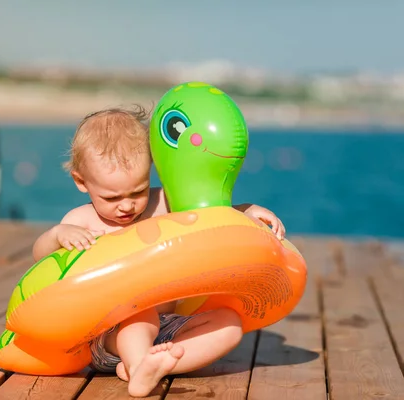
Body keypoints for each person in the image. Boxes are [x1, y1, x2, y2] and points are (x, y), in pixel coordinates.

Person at [32, 106, 286, 397]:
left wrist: (245, 210)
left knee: (229, 325)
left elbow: (211, 211)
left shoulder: (163, 203)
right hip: (108, 331)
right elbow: (41, 259)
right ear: (81, 182)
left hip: (167, 327)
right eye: (112, 197)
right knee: (141, 316)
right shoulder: (79, 222)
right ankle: (141, 364)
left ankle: (154, 366)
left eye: (137, 191)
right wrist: (56, 236)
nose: (127, 206)